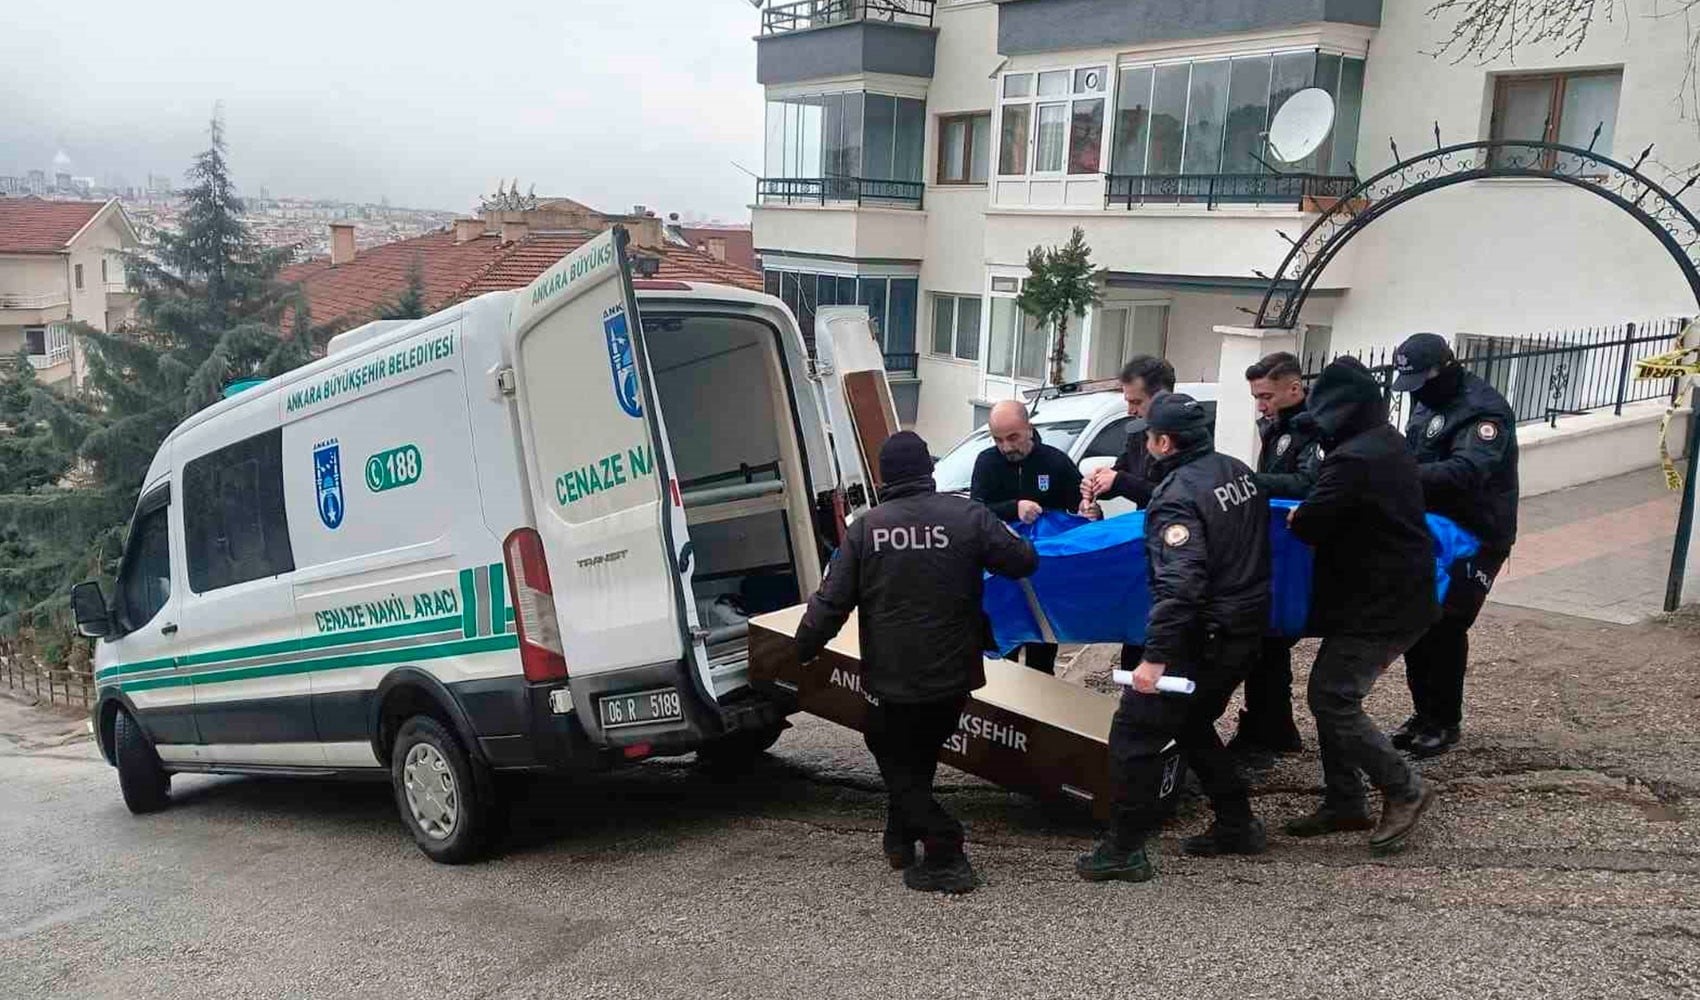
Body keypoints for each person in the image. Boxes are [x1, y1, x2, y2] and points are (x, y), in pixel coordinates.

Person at [795, 431, 1038, 894]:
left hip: (893, 678)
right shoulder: (968, 516)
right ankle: (900, 839)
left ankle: (945, 849)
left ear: (884, 477)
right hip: (954, 673)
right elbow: (1023, 561)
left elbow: (831, 602)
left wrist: (803, 647)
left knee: (894, 756)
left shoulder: (867, 528)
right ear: (929, 469)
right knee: (918, 754)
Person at [1075, 393, 1271, 883]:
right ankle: (1237, 823)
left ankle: (1124, 849)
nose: (1146, 446)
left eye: (1148, 438)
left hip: (1202, 636)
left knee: (1133, 735)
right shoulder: (1236, 472)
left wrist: (1156, 658)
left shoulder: (1177, 496)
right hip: (1245, 628)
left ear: (1164, 442)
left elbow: (1181, 585)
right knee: (1192, 722)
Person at [1284, 357, 1441, 854]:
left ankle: (1404, 788)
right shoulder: (1385, 440)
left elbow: (1312, 522)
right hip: (1389, 595)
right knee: (1332, 693)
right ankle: (1344, 801)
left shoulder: (1355, 459)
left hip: (1382, 603)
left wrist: (1299, 517)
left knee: (1332, 697)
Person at [1393, 333, 1519, 759]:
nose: (1416, 393)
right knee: (1418, 618)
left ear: (1443, 370)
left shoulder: (1483, 411)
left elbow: (1467, 471)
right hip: (1433, 527)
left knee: (1447, 623)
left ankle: (1444, 721)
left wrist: (1398, 475)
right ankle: (1424, 713)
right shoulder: (1426, 399)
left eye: (1420, 383)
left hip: (1477, 534)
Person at [1228, 351, 1322, 760]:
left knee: (1272, 640)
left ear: (1294, 388)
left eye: (1266, 396)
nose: (1260, 405)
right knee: (1266, 642)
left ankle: (1271, 729)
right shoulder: (1280, 426)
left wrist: (1254, 482)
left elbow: (1308, 483)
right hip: (1275, 546)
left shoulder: (1313, 429)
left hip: (1298, 549)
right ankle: (1271, 726)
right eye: (1256, 397)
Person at [1078, 355, 1177, 674]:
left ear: (1160, 397)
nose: (1131, 410)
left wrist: (1120, 481)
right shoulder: (1138, 431)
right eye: (1127, 401)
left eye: (1136, 402)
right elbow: (1123, 470)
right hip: (1143, 544)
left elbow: (1174, 496)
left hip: (1175, 550)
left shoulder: (1183, 435)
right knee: (1136, 640)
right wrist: (1097, 484)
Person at [969, 399, 1083, 674]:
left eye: (1013, 438)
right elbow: (975, 510)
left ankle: (1041, 691)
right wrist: (1014, 508)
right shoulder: (987, 462)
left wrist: (1089, 509)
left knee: (1041, 650)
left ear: (1029, 429)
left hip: (1044, 571)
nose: (1007, 447)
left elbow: (1079, 506)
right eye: (998, 440)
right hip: (1000, 571)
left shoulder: (1055, 461)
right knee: (1003, 647)